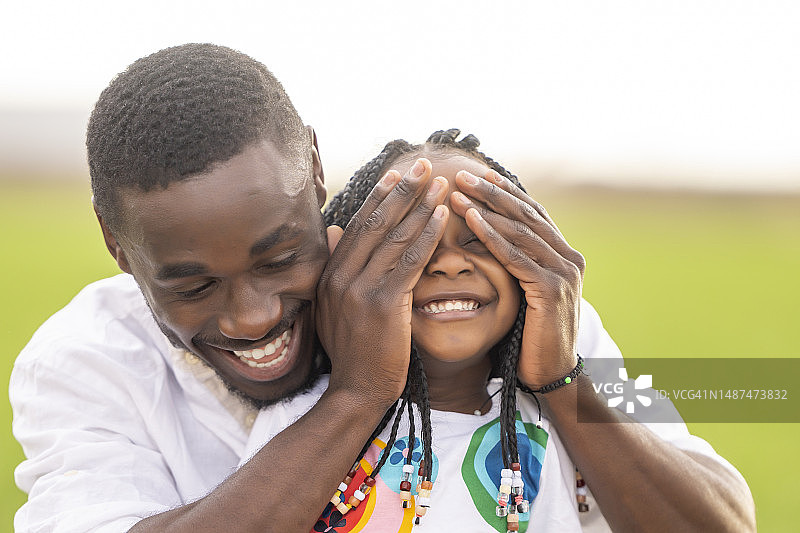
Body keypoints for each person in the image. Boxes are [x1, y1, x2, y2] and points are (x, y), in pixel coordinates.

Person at [238, 130, 756, 532]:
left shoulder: (561, 401)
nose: (450, 266)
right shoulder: (304, 421)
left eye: (481, 240)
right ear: (352, 275)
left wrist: (560, 381)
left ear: (531, 261)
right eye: (413, 247)